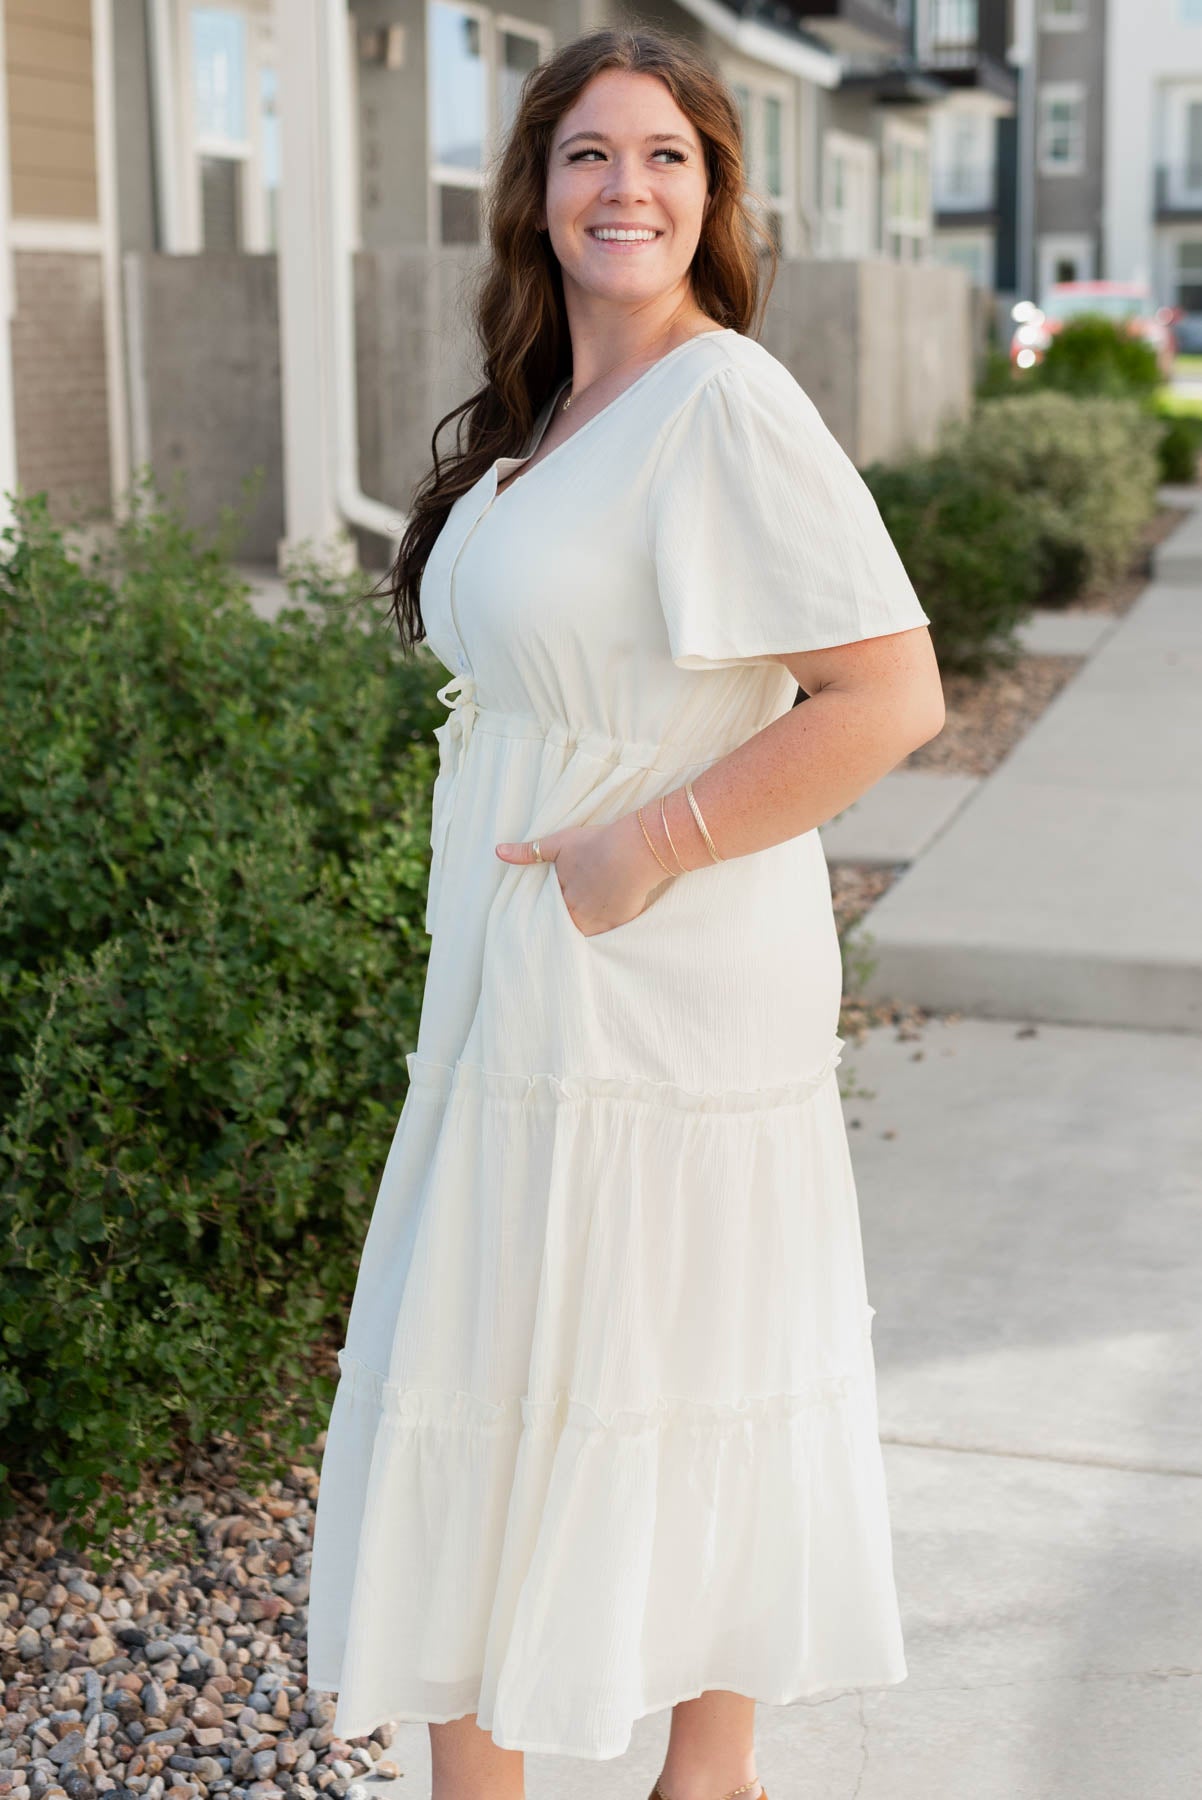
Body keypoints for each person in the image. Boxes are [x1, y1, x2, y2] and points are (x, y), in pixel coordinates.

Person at [306, 23, 945, 1800]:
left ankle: (703, 1779)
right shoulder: (547, 416)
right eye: (590, 153)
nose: (627, 188)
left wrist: (645, 842)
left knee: (671, 1346)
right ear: (533, 192)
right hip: (518, 983)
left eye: (666, 156)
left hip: (658, 973)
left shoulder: (724, 397)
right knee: (494, 1353)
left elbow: (888, 696)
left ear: (713, 195)